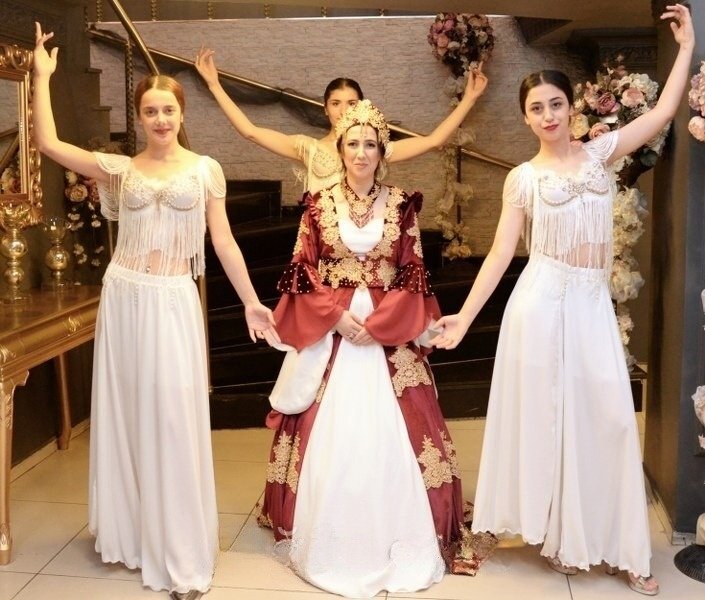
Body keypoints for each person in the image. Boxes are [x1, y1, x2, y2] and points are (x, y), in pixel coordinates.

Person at [431, 4, 695, 597]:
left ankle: (621, 547)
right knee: (544, 421)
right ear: (525, 117)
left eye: (555, 103)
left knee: (608, 420)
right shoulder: (522, 179)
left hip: (591, 306)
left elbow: (662, 113)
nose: (548, 115)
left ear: (570, 107)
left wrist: (685, 48)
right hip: (540, 306)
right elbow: (501, 253)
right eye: (536, 108)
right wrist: (465, 317)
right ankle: (554, 535)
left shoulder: (602, 153)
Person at [33, 23, 279, 600]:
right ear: (140, 118)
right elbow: (48, 145)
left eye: (168, 110)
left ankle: (180, 551)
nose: (160, 119)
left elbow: (223, 241)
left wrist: (251, 300)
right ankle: (134, 534)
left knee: (172, 417)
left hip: (172, 300)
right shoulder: (121, 170)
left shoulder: (204, 169)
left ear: (181, 113)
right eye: (150, 111)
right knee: (128, 413)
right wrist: (42, 80)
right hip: (124, 296)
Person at [256, 99, 495, 598]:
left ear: (382, 151)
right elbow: (302, 268)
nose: (361, 153)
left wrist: (381, 325)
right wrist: (337, 317)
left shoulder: (402, 204)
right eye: (353, 144)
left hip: (386, 323)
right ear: (340, 150)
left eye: (370, 144)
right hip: (334, 322)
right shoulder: (317, 204)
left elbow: (412, 270)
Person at [194, 48, 487, 194]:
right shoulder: (308, 148)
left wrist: (469, 99)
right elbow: (250, 132)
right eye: (335, 103)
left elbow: (434, 141)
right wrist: (214, 85)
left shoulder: (375, 149)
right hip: (320, 251)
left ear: (362, 106)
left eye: (351, 103)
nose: (343, 110)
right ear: (325, 109)